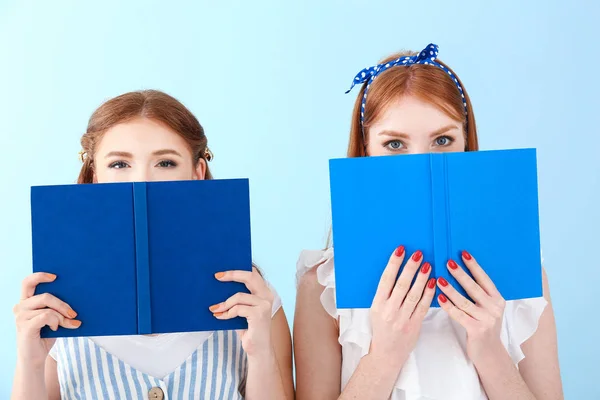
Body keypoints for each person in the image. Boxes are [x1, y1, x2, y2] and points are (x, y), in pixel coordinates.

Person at [293, 44, 563, 400]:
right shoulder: (324, 288)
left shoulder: (523, 278)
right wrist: (385, 355)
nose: (420, 164)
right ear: (365, 151)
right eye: (394, 144)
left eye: (442, 139)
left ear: (466, 145)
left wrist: (488, 349)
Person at [12, 90, 294, 400]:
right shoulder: (56, 301)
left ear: (197, 173)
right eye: (119, 164)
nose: (143, 180)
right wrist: (30, 361)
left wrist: (259, 353)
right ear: (95, 176)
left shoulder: (254, 299)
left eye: (166, 162)